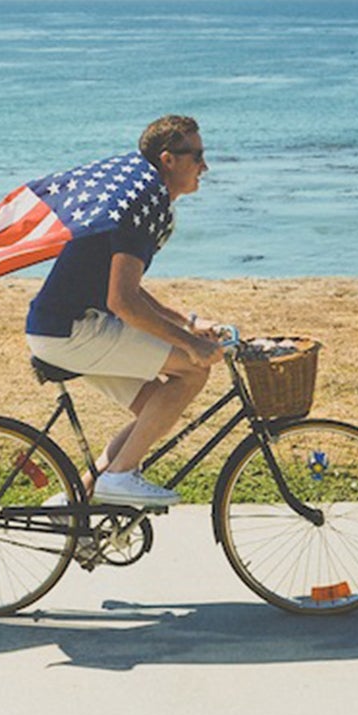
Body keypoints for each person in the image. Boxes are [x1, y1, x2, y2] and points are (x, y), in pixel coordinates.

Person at [24, 115, 223, 506]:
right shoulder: (141, 205)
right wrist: (191, 345)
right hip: (73, 330)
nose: (205, 165)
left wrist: (188, 323)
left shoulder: (142, 197)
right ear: (168, 159)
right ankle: (119, 477)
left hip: (63, 327)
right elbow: (123, 303)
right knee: (192, 369)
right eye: (197, 155)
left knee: (155, 408)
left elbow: (127, 290)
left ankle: (77, 503)